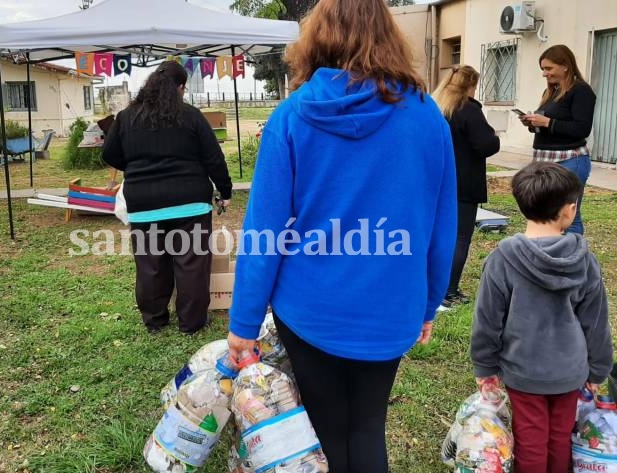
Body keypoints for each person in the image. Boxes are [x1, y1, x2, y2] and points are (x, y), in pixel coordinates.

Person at [226, 0, 458, 471]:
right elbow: (441, 224)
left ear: (317, 40)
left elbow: (263, 232)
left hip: (309, 308)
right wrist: (428, 302)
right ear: (387, 37)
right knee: (369, 424)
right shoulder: (427, 116)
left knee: (327, 427)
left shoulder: (291, 117)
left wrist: (243, 324)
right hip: (392, 306)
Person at [471, 161, 612, 473]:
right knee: (560, 437)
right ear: (570, 210)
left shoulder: (502, 259)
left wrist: (485, 366)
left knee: (531, 439)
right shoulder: (585, 260)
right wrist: (599, 369)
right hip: (570, 371)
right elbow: (596, 321)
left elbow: (487, 319)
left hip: (524, 371)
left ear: (522, 206)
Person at [102, 60, 232, 334]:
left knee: (150, 265)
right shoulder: (191, 115)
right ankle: (191, 322)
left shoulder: (127, 117)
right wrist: (225, 191)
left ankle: (155, 321)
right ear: (180, 87)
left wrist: (139, 169)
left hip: (143, 205)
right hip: (190, 203)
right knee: (191, 264)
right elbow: (214, 158)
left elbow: (109, 155)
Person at [432, 66, 500, 308]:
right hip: (464, 184)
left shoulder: (436, 106)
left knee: (438, 236)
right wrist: (495, 136)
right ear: (471, 85)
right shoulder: (468, 109)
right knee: (460, 238)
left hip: (437, 182)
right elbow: (486, 145)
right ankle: (448, 292)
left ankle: (432, 286)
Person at [519, 44, 596, 234]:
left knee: (568, 216)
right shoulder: (552, 91)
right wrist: (533, 123)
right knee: (546, 213)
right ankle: (552, 256)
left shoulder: (581, 91)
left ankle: (571, 260)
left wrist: (547, 123)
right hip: (546, 160)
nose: (545, 74)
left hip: (570, 160)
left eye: (548, 68)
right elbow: (549, 125)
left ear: (565, 66)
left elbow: (581, 129)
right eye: (543, 69)